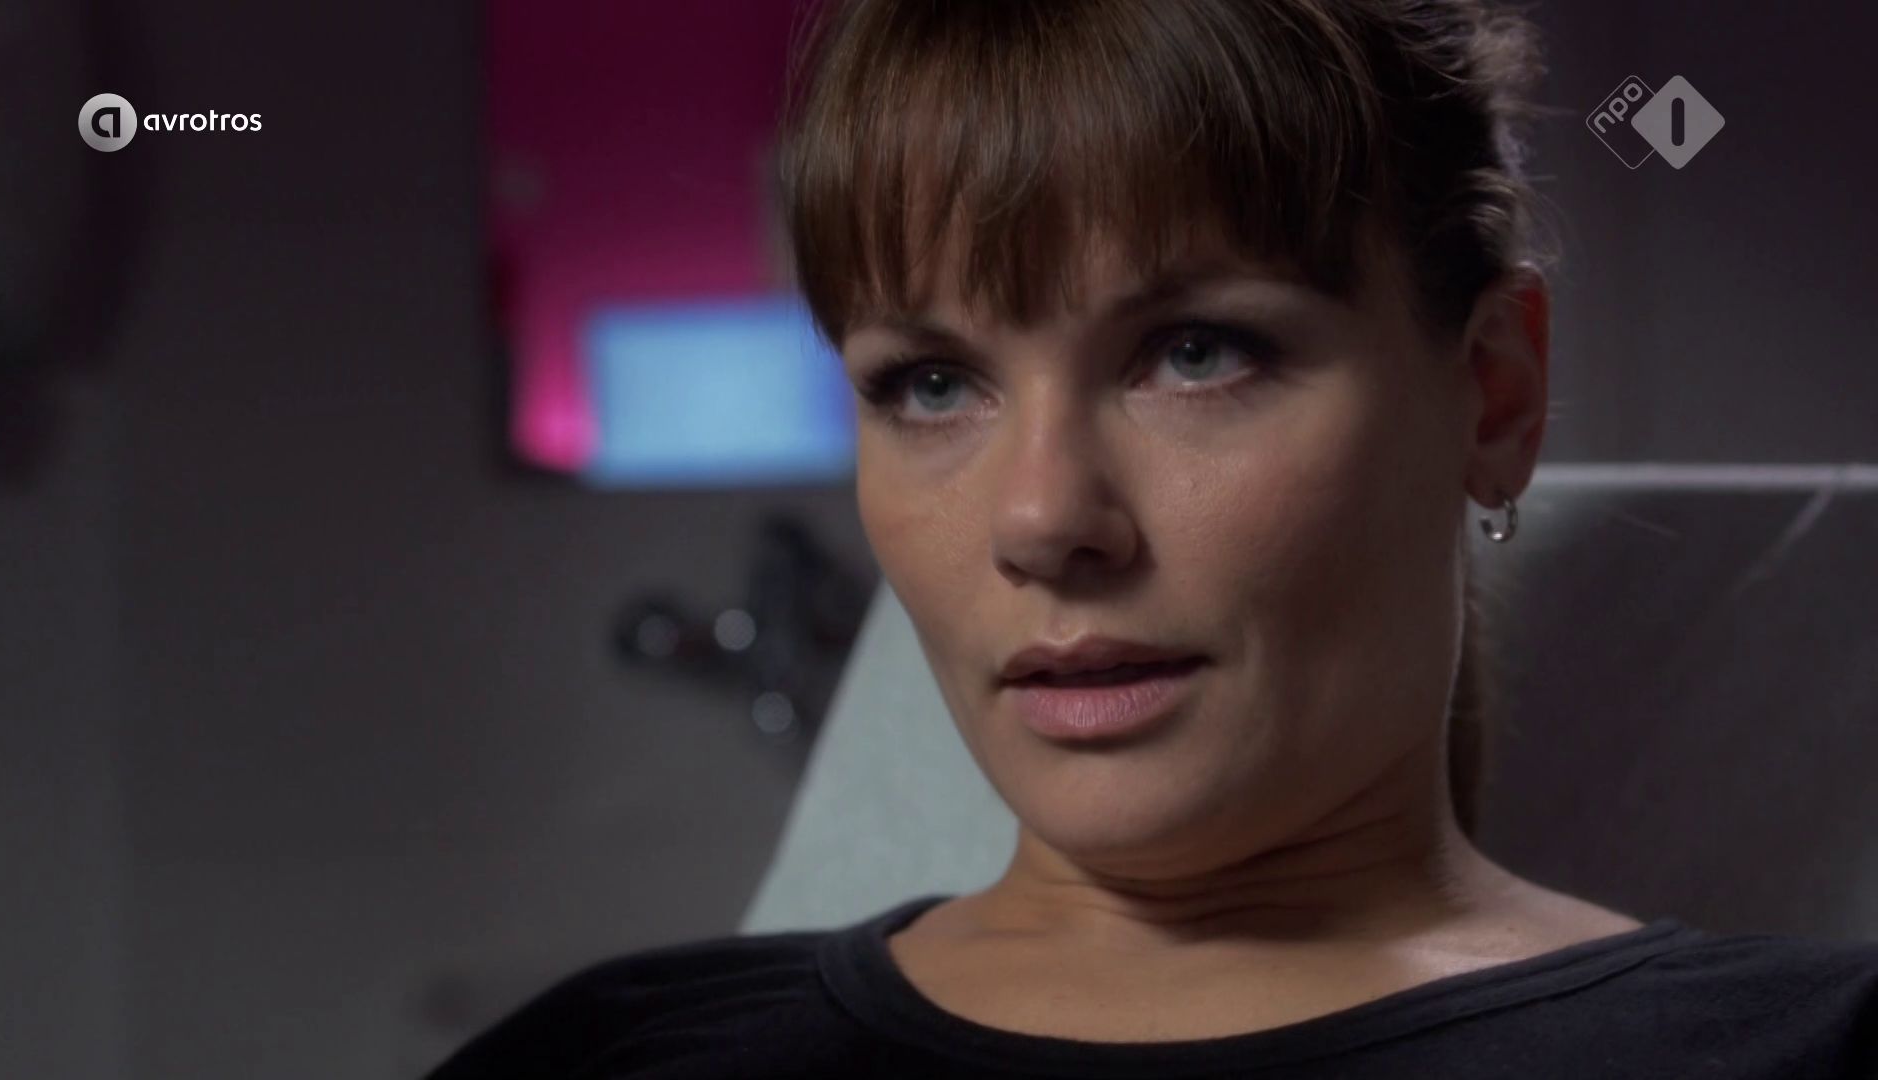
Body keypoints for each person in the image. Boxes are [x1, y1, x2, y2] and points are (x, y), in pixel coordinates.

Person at [429, 1, 1878, 1075]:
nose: (1041, 520)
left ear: (1493, 394)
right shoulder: (607, 1056)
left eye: (1196, 353)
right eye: (930, 384)